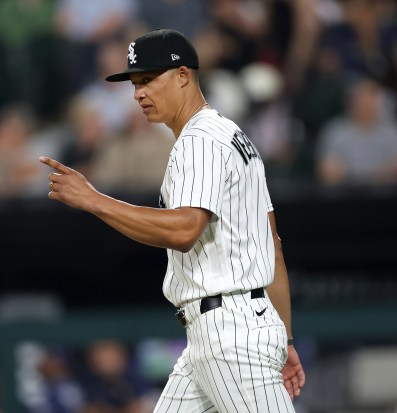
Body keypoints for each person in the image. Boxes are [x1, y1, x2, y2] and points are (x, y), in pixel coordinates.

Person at [39, 28, 305, 412]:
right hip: (225, 330)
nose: (138, 94)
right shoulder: (232, 136)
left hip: (228, 334)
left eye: (148, 79)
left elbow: (183, 230)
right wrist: (286, 340)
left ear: (183, 76)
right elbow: (272, 246)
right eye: (134, 83)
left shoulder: (198, 140)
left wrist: (94, 200)